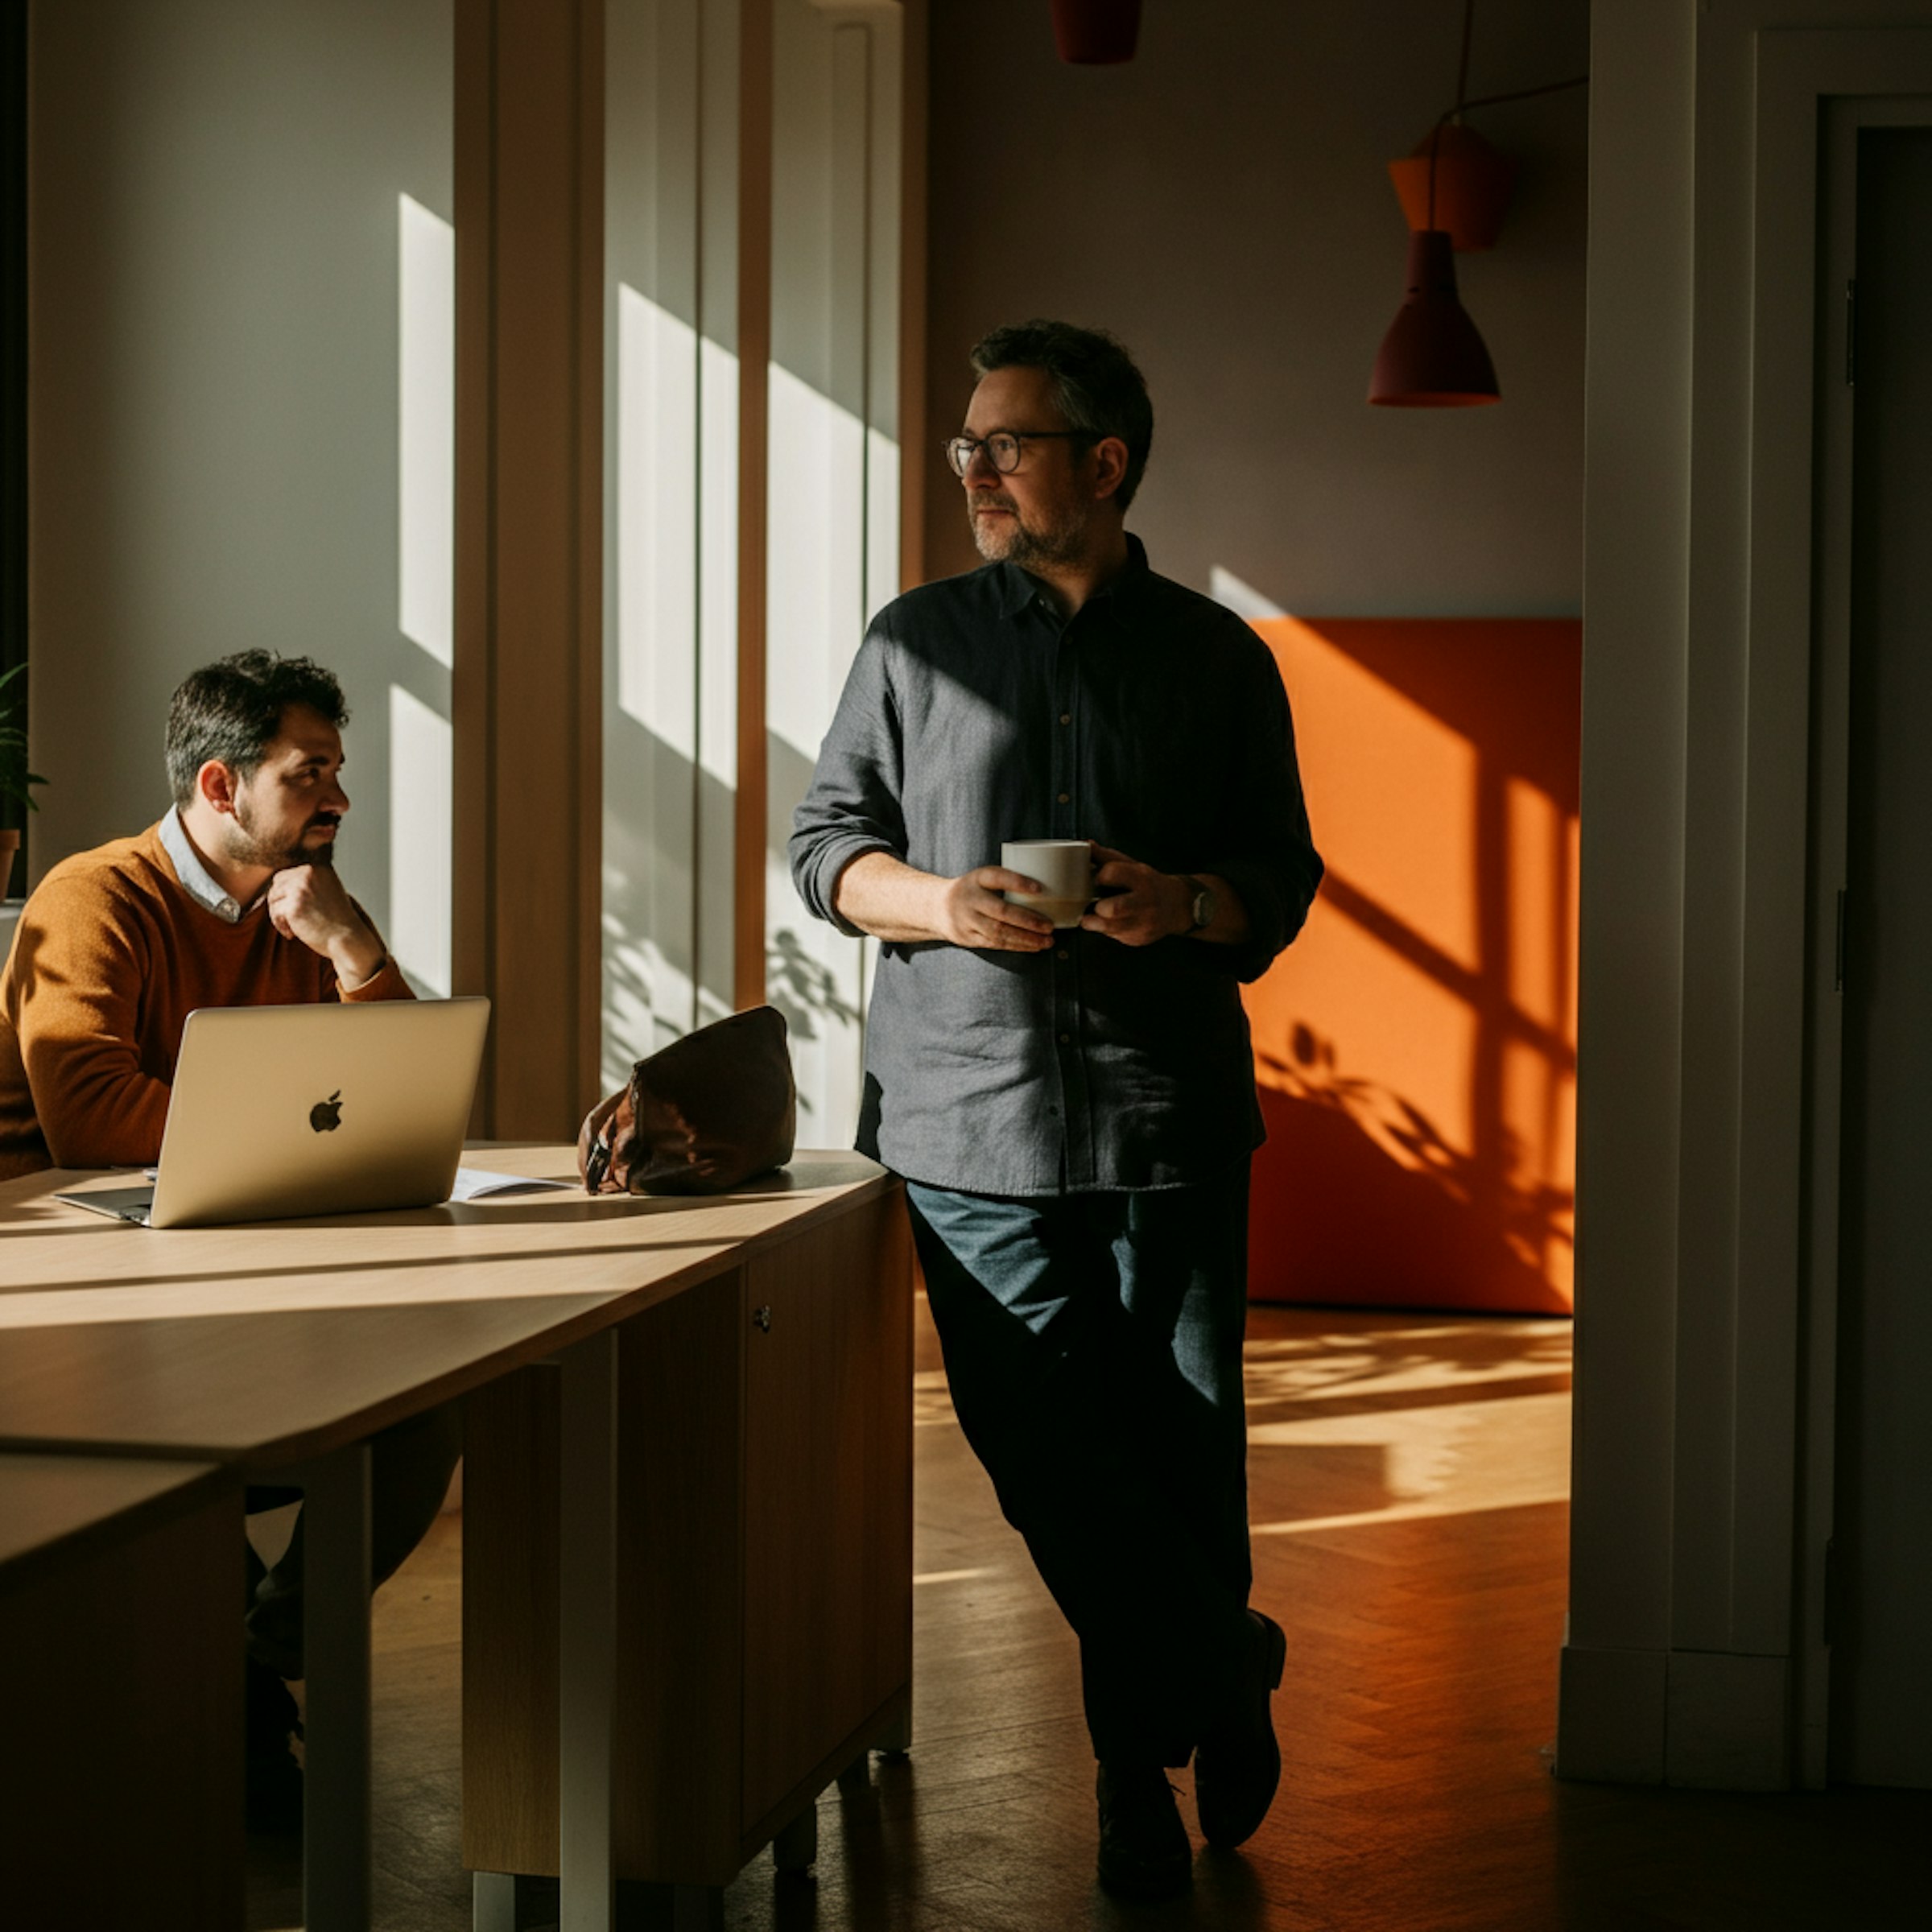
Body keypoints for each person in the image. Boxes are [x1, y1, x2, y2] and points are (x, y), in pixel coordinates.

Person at [791, 320, 1323, 1899]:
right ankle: (1223, 1668)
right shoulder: (914, 643)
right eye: (965, 445)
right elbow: (828, 849)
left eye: (1004, 444)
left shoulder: (1222, 660)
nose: (973, 471)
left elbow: (1279, 879)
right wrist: (941, 907)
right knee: (1045, 1457)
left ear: (1103, 462)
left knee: (1179, 1451)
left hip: (1169, 1120)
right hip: (966, 1129)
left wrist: (1191, 905)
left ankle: (1127, 1788)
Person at [0, 650, 463, 1827]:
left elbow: (391, 1093)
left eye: (338, 773)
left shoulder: (301, 909)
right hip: (71, 1281)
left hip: (227, 1247)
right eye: (311, 776)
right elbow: (91, 1120)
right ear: (219, 785)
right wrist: (290, 1131)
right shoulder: (94, 898)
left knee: (429, 1399)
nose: (338, 801)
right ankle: (224, 1715)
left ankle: (256, 1663)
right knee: (190, 1434)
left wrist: (355, 951)